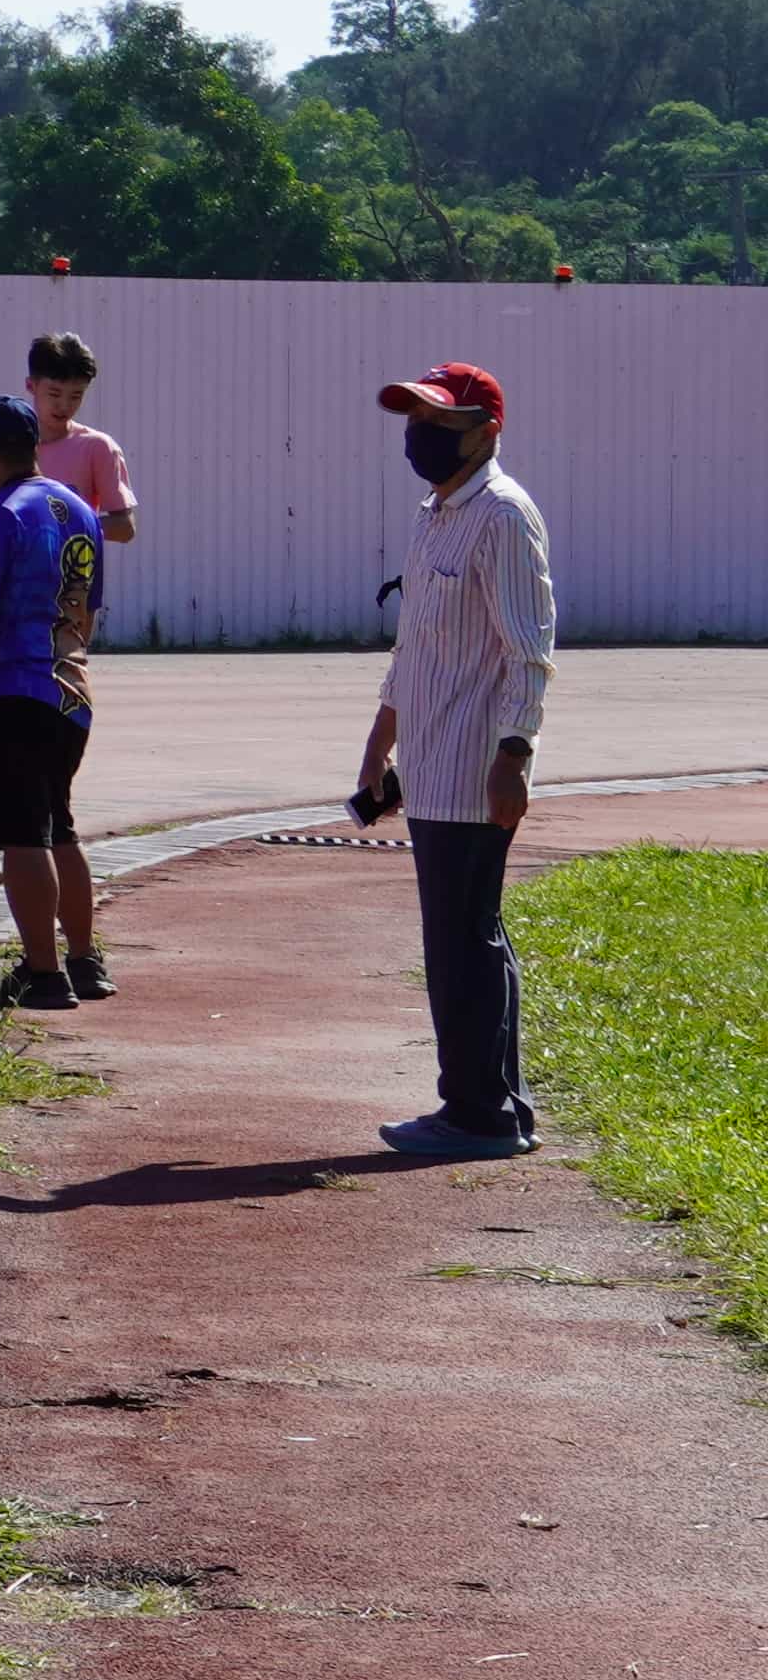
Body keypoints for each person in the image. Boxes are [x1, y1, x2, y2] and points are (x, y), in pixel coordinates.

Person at [354, 362, 552, 1163]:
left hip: (475, 767)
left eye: (439, 421)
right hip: (433, 762)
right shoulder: (435, 514)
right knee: (462, 937)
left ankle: (480, 1114)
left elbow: (528, 650)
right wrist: (381, 739)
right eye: (415, 419)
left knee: (465, 940)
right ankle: (486, 1105)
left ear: (486, 432)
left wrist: (514, 754)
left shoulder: (502, 516)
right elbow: (414, 645)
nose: (420, 435)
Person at [0, 327, 146, 991]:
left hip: (10, 692)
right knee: (60, 829)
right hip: (68, 688)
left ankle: (42, 974)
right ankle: (83, 959)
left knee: (23, 836)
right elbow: (87, 610)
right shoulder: (77, 511)